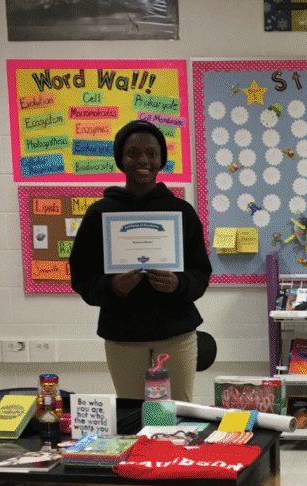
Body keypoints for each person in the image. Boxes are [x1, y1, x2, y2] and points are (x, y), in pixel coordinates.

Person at [69, 120, 212, 402]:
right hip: (123, 336)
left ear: (161, 160)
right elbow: (82, 277)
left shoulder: (180, 211)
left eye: (152, 153)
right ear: (121, 159)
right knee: (132, 418)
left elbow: (201, 272)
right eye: (133, 153)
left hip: (176, 335)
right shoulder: (100, 214)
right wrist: (113, 286)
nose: (143, 160)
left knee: (177, 415)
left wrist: (178, 283)